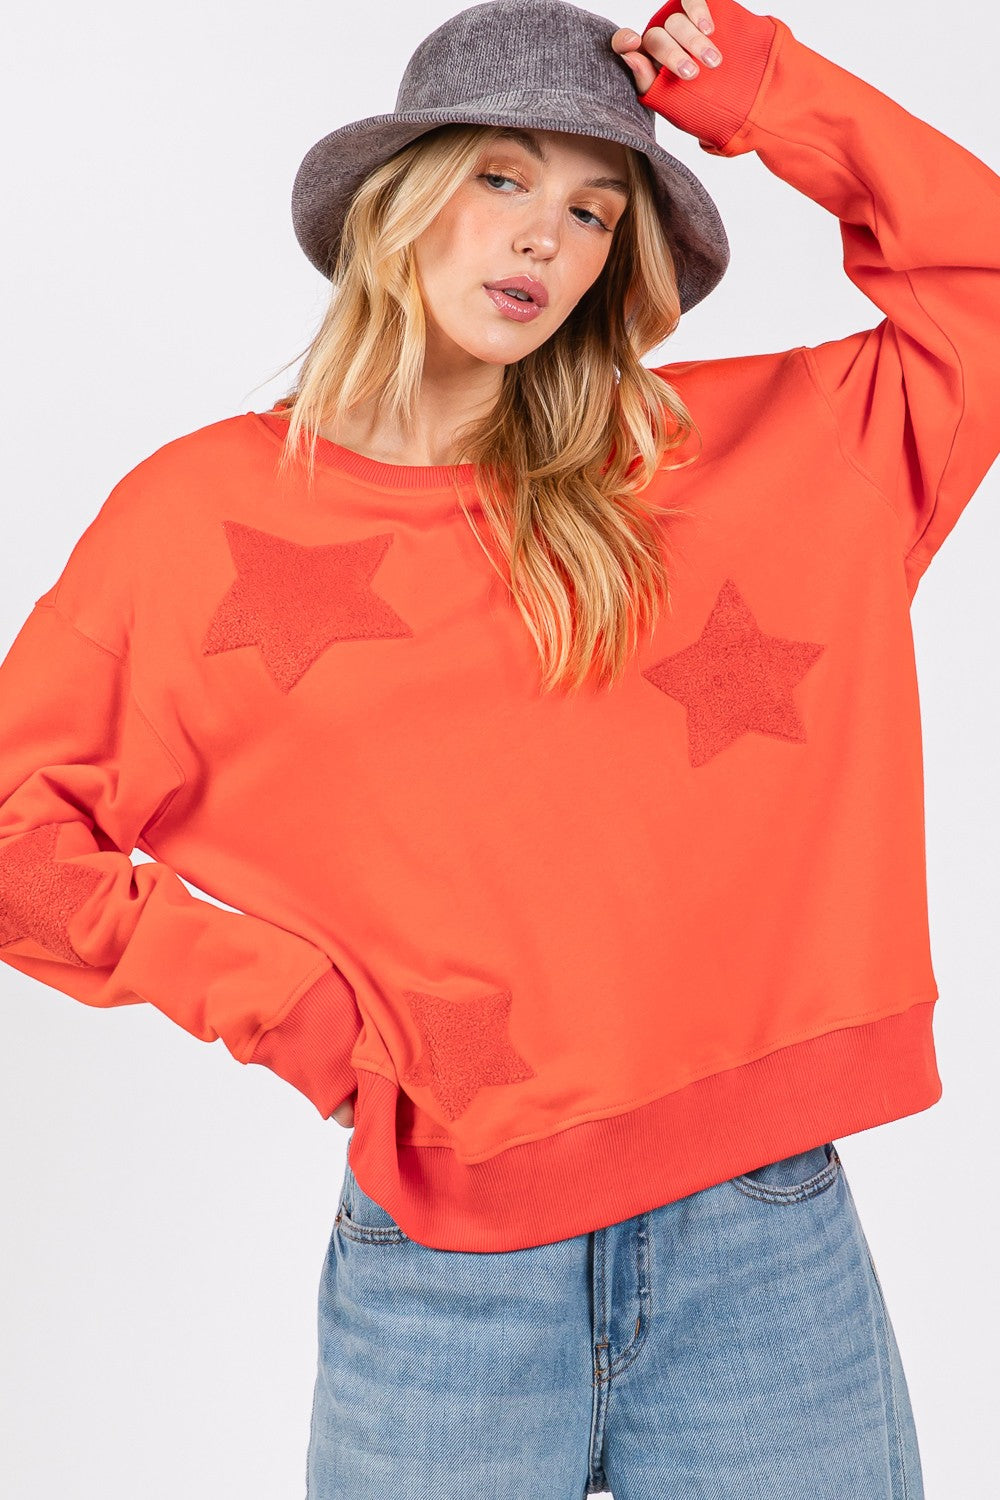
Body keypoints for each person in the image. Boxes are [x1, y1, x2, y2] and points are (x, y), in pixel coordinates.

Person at [1, 0, 997, 1494]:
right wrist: (291, 1009)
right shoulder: (199, 521)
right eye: (502, 177)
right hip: (442, 1275)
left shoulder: (739, 456)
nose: (545, 234)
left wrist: (770, 91)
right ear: (398, 199)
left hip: (763, 1247)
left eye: (595, 209)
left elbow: (982, 282)